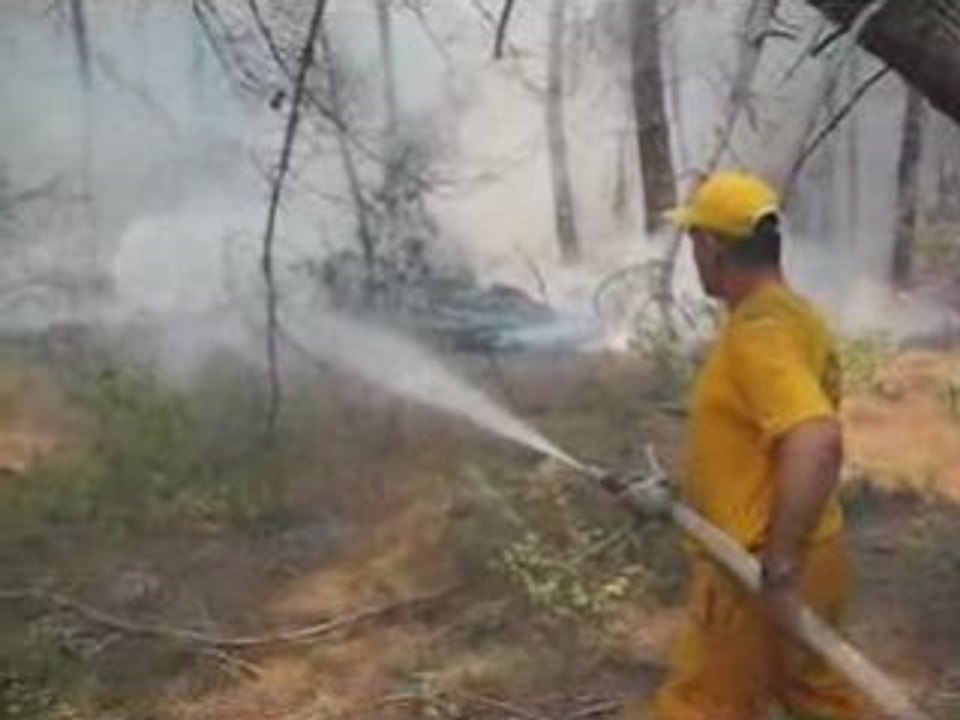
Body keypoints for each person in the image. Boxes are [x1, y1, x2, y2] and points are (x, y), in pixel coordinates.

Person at [644, 171, 872, 719]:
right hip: (818, 551)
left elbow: (815, 437)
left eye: (693, 241)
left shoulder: (759, 332)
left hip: (752, 570)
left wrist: (780, 565)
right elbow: (758, 443)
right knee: (822, 700)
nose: (692, 255)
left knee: (698, 706)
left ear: (712, 247)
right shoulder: (794, 315)